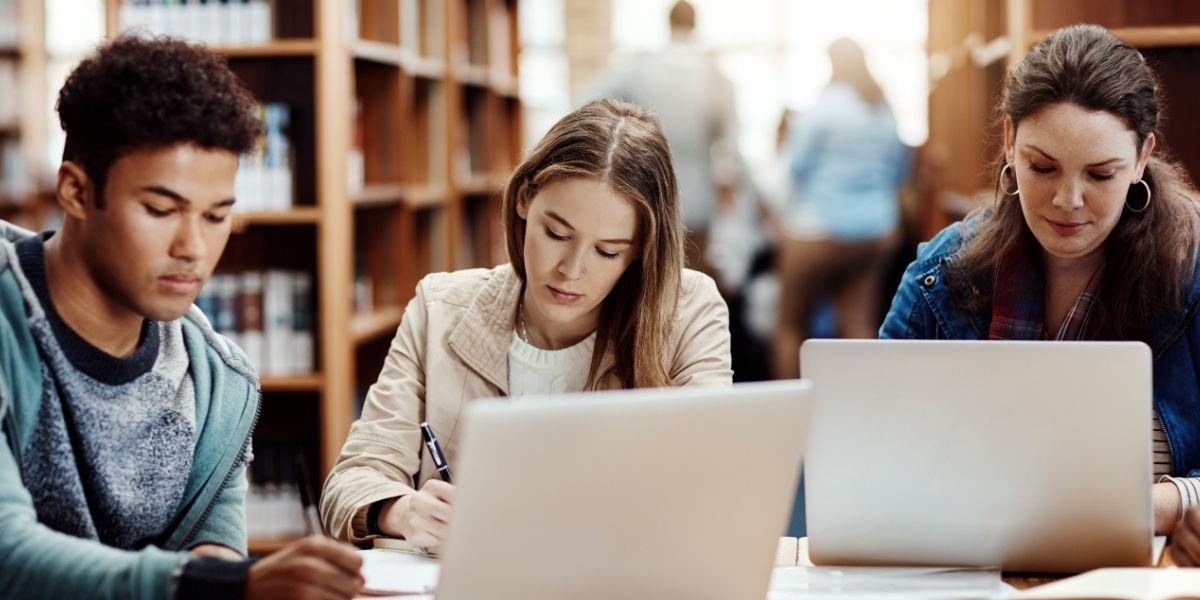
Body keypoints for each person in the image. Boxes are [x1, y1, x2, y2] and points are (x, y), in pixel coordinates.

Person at [0, 36, 362, 599]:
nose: (193, 247)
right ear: (75, 191)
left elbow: (212, 551)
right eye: (160, 210)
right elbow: (8, 555)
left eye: (216, 216)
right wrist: (219, 584)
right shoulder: (7, 326)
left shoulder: (218, 382)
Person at [320, 99, 733, 552]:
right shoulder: (440, 308)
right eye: (556, 234)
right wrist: (400, 511)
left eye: (608, 251)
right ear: (523, 200)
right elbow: (352, 481)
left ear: (640, 250)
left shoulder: (687, 310)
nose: (572, 270)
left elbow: (712, 478)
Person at [879, 24, 1200, 544]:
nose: (1067, 200)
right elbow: (872, 451)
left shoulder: (1194, 268)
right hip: (972, 558)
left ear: (1142, 156)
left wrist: (1162, 505)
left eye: (1100, 175)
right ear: (1009, 142)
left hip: (1144, 571)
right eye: (1043, 167)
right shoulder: (944, 273)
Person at [772, 37, 908, 380]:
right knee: (858, 324)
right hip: (874, 231)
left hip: (819, 229)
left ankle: (787, 416)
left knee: (790, 325)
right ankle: (861, 414)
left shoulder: (824, 107)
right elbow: (899, 170)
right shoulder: (882, 108)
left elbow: (795, 168)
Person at [583, 0, 738, 279]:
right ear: (694, 25)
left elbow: (586, 102)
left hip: (642, 189)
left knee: (645, 279)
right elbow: (729, 146)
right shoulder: (715, 75)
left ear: (668, 23)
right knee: (690, 284)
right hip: (697, 200)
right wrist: (726, 186)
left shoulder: (639, 68)